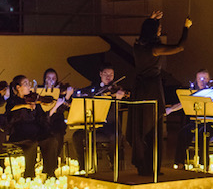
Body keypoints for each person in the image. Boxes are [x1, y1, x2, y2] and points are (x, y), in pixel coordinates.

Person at [131, 10, 192, 176]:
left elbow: (145, 31)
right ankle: (151, 167)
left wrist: (150, 19)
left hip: (140, 90)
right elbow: (180, 47)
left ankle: (143, 165)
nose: (160, 31)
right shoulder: (154, 49)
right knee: (153, 128)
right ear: (153, 31)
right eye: (158, 28)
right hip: (151, 89)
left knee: (141, 127)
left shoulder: (138, 46)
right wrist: (186, 28)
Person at [71, 63, 127, 172]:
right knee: (76, 136)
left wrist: (118, 99)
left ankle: (114, 165)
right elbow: (80, 93)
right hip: (95, 125)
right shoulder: (94, 88)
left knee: (115, 137)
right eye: (105, 74)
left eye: (111, 74)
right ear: (100, 74)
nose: (108, 77)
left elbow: (118, 108)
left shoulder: (116, 90)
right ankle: (82, 166)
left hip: (110, 127)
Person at [6, 75, 60, 178]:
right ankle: (29, 174)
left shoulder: (34, 99)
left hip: (35, 132)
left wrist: (48, 108)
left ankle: (49, 172)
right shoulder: (13, 101)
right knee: (32, 143)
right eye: (26, 84)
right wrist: (24, 105)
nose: (29, 86)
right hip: (20, 133)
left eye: (29, 83)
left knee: (51, 140)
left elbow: (42, 118)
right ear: (18, 87)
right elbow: (10, 112)